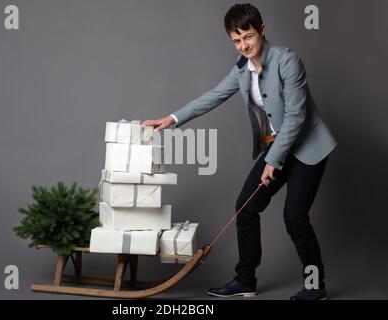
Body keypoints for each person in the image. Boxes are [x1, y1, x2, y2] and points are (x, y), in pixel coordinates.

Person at [142, 3, 337, 300]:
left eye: (248, 37)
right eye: (236, 40)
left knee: (294, 217)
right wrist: (171, 118)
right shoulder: (242, 69)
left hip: (309, 149)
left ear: (262, 30)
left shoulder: (287, 61)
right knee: (245, 209)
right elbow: (213, 96)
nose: (243, 45)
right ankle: (246, 279)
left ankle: (315, 285)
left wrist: (273, 161)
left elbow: (297, 118)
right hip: (278, 147)